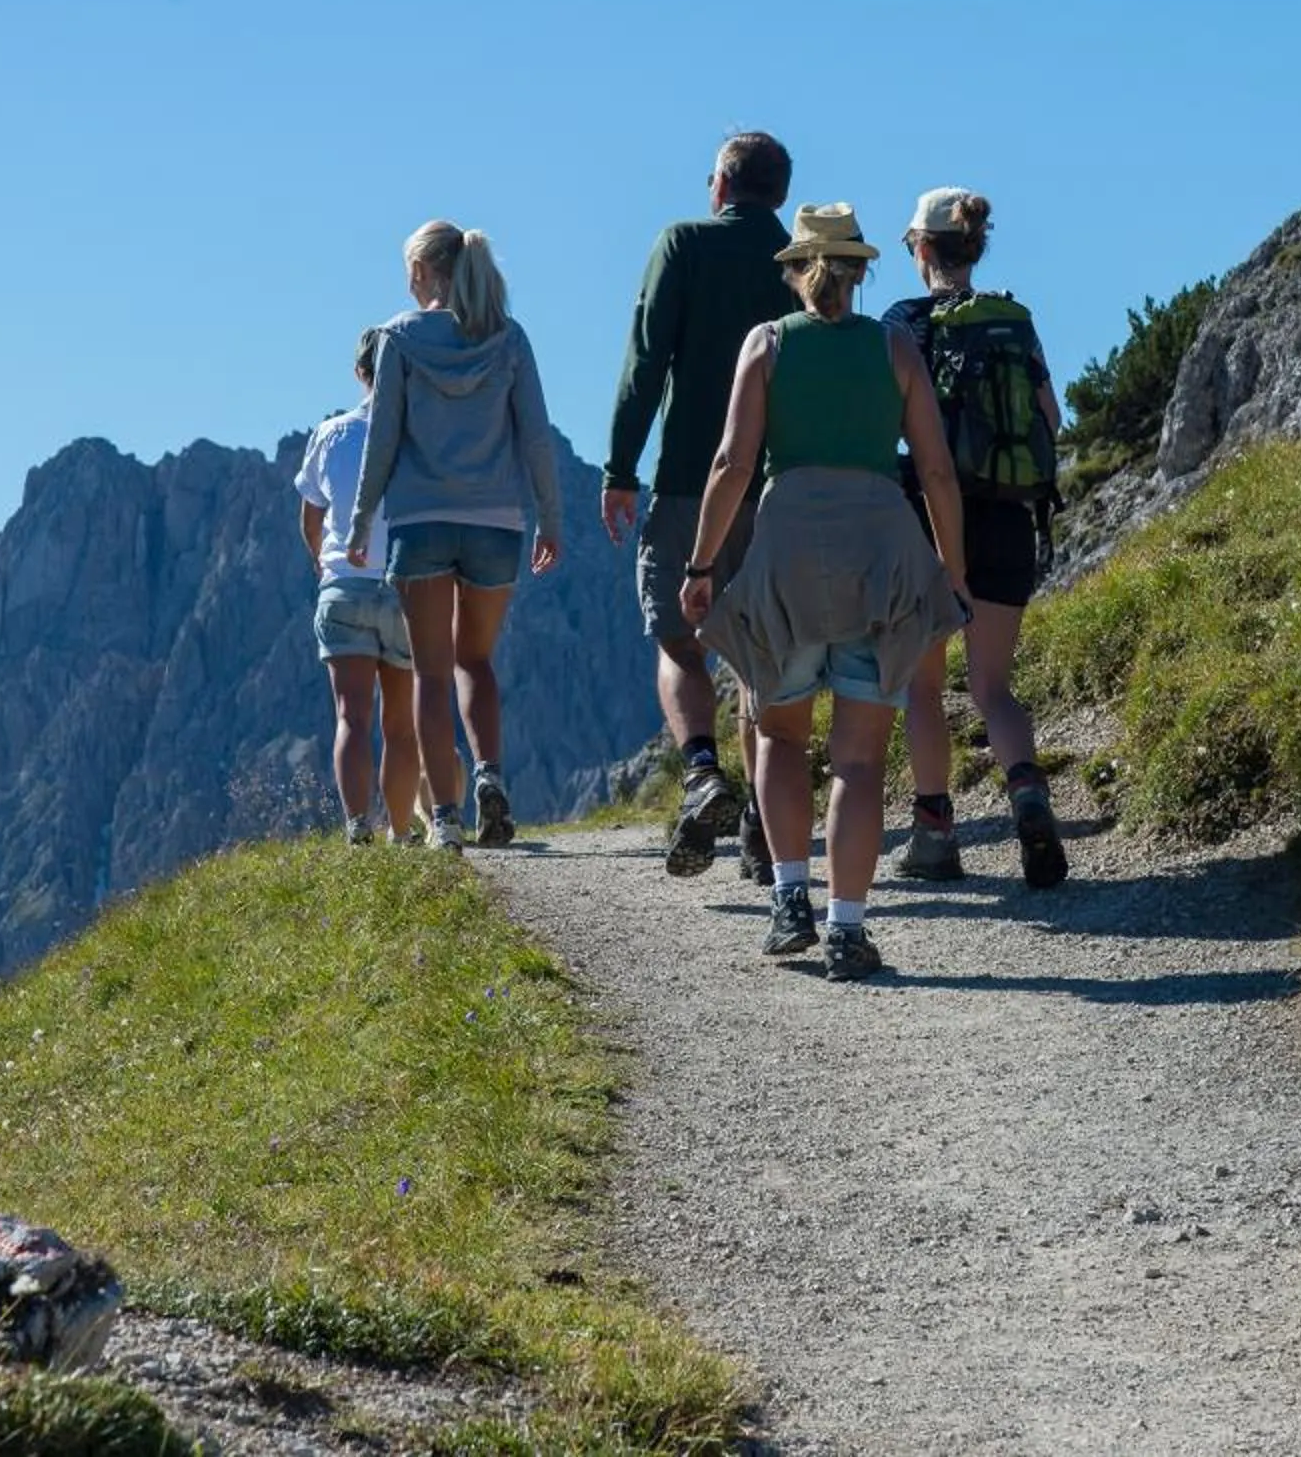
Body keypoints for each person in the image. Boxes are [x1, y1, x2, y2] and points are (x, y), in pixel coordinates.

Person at [681, 203, 966, 982]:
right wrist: (952, 566)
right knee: (861, 763)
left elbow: (732, 466)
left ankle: (787, 900)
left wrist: (702, 567)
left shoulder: (767, 344)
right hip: (882, 555)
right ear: (862, 270)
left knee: (778, 739)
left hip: (786, 560)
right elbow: (936, 471)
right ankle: (847, 928)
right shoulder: (896, 347)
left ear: (793, 269)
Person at [603, 131, 800, 881]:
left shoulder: (682, 243)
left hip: (692, 477)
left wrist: (621, 469)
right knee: (760, 654)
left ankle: (700, 771)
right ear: (779, 192)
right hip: (779, 487)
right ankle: (760, 815)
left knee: (679, 640)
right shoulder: (800, 260)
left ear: (719, 185)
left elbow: (644, 360)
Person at [348, 220, 564, 849]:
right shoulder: (508, 336)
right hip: (497, 523)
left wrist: (362, 520)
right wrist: (550, 519)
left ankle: (444, 818)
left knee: (431, 672)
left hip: (420, 525)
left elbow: (382, 438)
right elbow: (537, 437)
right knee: (476, 661)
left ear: (421, 272)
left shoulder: (399, 339)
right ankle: (490, 775)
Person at [883, 188, 1069, 888]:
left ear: (922, 249)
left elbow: (888, 424)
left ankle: (934, 836)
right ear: (975, 247)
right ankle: (1027, 792)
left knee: (924, 688)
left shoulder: (903, 323)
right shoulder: (1014, 319)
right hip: (1007, 518)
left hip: (927, 518)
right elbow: (1050, 416)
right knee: (994, 686)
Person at [296, 327, 434, 846]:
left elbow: (310, 517)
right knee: (400, 725)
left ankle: (357, 829)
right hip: (404, 586)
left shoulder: (331, 433)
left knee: (351, 717)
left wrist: (322, 563)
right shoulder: (419, 435)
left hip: (343, 588)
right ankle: (401, 832)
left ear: (360, 373)